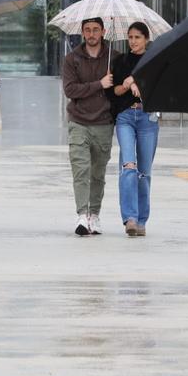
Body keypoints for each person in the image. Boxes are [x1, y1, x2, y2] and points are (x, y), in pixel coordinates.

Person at [61, 17, 114, 236]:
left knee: (98, 174)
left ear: (103, 31)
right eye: (87, 30)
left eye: (95, 30)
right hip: (78, 122)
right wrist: (98, 85)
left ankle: (95, 215)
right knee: (81, 170)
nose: (91, 34)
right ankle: (82, 215)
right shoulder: (72, 59)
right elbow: (70, 90)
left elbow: (118, 90)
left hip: (103, 123)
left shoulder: (114, 59)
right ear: (82, 33)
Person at [110, 22, 158, 237]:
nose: (133, 41)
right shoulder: (121, 61)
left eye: (137, 37)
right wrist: (128, 83)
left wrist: (141, 84)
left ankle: (141, 220)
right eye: (130, 37)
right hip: (126, 117)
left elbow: (160, 90)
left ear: (146, 39)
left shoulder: (154, 60)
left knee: (144, 172)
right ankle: (129, 217)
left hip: (148, 118)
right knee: (128, 165)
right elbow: (116, 91)